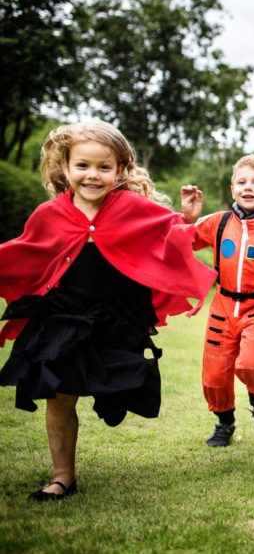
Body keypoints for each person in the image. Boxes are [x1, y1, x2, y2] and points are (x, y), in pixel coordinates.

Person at [0, 120, 216, 500]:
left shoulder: (132, 207)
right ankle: (62, 476)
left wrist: (186, 219)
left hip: (115, 316)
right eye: (82, 166)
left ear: (120, 170)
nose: (92, 175)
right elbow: (26, 250)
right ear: (65, 167)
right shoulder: (50, 213)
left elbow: (169, 239)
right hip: (62, 315)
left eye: (104, 167)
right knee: (59, 394)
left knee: (117, 393)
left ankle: (111, 400)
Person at [181, 154, 254, 447]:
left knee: (251, 363)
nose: (249, 188)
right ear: (232, 188)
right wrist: (188, 218)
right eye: (242, 182)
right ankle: (224, 424)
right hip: (222, 307)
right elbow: (184, 240)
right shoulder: (219, 222)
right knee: (214, 374)